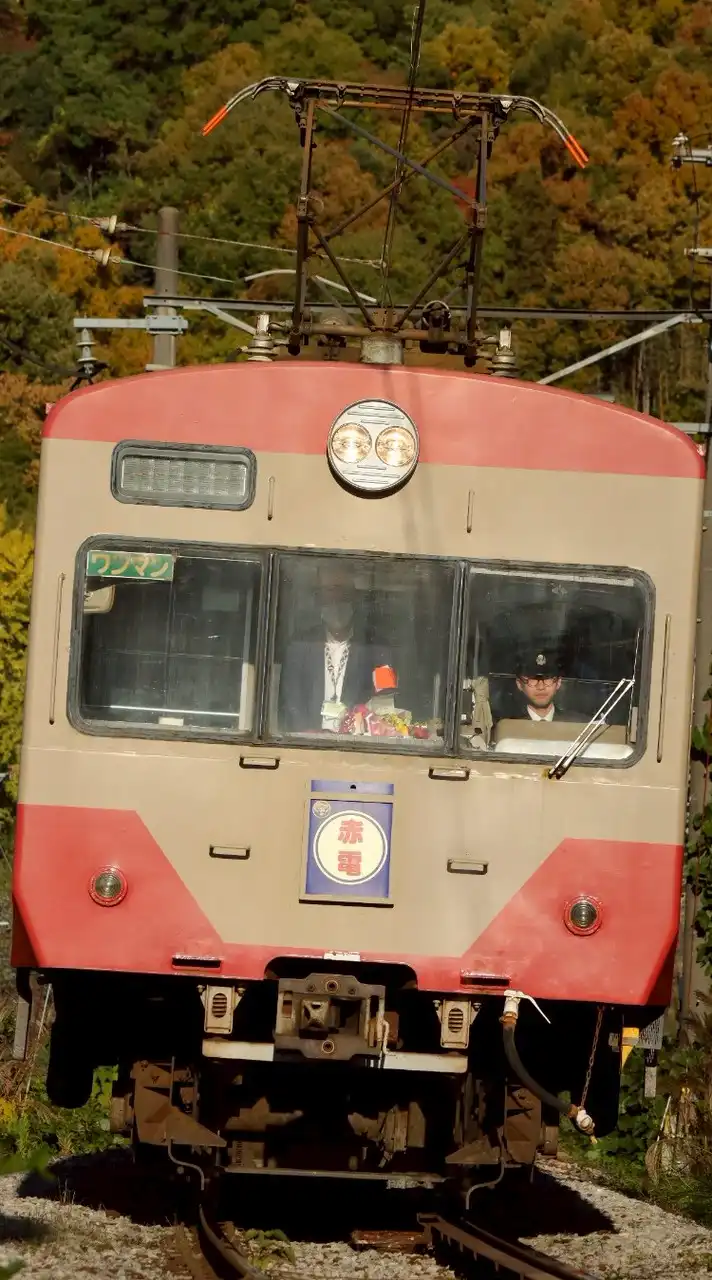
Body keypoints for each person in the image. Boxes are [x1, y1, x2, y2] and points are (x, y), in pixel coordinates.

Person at [276, 566, 389, 734]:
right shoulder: (300, 645)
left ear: (354, 600)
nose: (336, 604)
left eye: (342, 597)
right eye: (329, 597)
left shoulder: (376, 647)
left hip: (356, 744)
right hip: (307, 742)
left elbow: (385, 696)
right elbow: (291, 698)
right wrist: (305, 734)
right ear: (320, 601)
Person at [513, 649, 566, 722]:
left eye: (547, 678)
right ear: (519, 684)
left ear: (558, 683)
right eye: (532, 679)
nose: (541, 687)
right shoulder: (507, 726)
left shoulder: (577, 725)